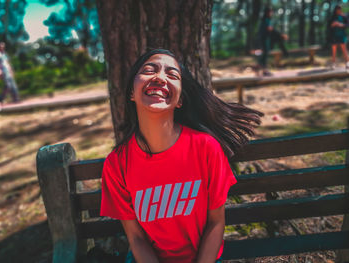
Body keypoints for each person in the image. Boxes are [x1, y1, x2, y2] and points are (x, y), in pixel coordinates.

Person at [100, 49, 263, 263]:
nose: (159, 77)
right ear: (132, 92)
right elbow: (136, 237)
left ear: (179, 101)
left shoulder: (205, 148)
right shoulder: (117, 164)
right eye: (149, 70)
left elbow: (216, 222)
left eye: (172, 75)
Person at [256, 6, 288, 76]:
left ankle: (260, 68)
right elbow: (270, 29)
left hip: (264, 38)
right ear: (268, 12)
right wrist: (281, 35)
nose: (272, 13)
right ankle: (264, 70)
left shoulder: (265, 20)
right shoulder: (266, 20)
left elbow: (270, 30)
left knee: (265, 53)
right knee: (265, 53)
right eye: (271, 12)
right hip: (264, 39)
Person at [328, 5, 349, 69]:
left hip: (342, 35)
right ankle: (333, 63)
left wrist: (341, 25)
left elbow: (347, 25)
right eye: (337, 10)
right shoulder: (333, 17)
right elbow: (329, 26)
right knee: (334, 49)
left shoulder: (343, 17)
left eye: (340, 10)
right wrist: (333, 24)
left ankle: (347, 62)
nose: (339, 11)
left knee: (344, 49)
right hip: (334, 35)